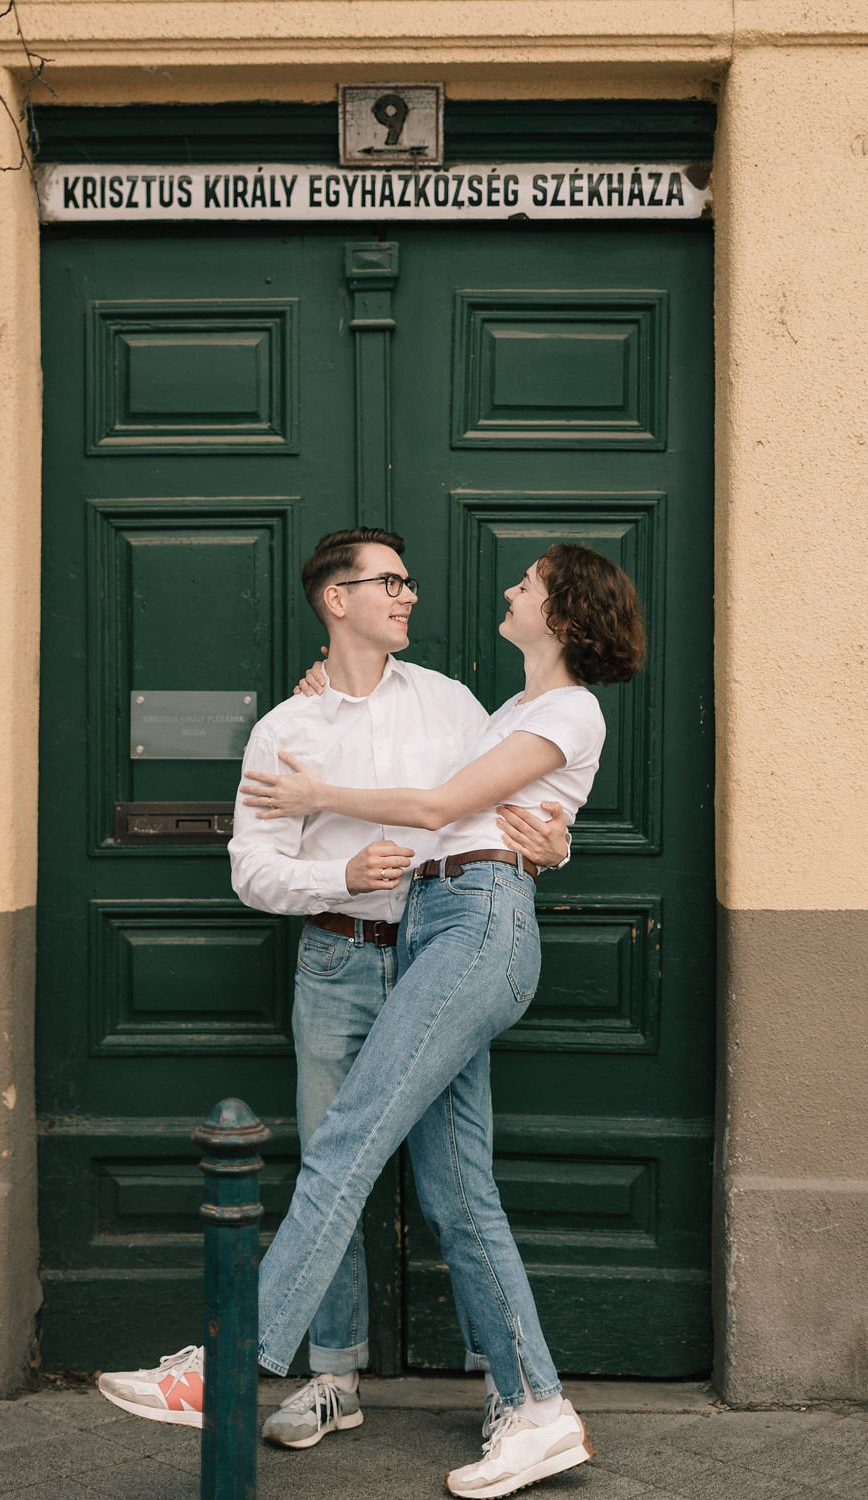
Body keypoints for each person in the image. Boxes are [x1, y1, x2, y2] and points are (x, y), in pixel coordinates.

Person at [95, 528, 569, 1447]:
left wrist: (557, 846)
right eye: (388, 581)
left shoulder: (452, 703)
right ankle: (332, 1378)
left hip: (443, 952)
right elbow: (251, 870)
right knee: (333, 1161)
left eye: (407, 579)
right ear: (335, 600)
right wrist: (339, 880)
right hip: (339, 959)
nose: (408, 596)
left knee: (438, 1177)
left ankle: (512, 1390)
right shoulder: (288, 728)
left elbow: (510, 805)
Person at [240, 541, 645, 1496]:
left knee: (346, 1142)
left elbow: (440, 806)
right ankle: (536, 1405)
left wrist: (318, 792)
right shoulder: (508, 708)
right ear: (337, 601)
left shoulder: (547, 706)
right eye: (389, 581)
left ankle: (226, 1359)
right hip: (425, 928)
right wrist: (556, 839)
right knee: (458, 1193)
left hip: (471, 927)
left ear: (565, 615)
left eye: (528, 585)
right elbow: (506, 807)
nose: (505, 589)